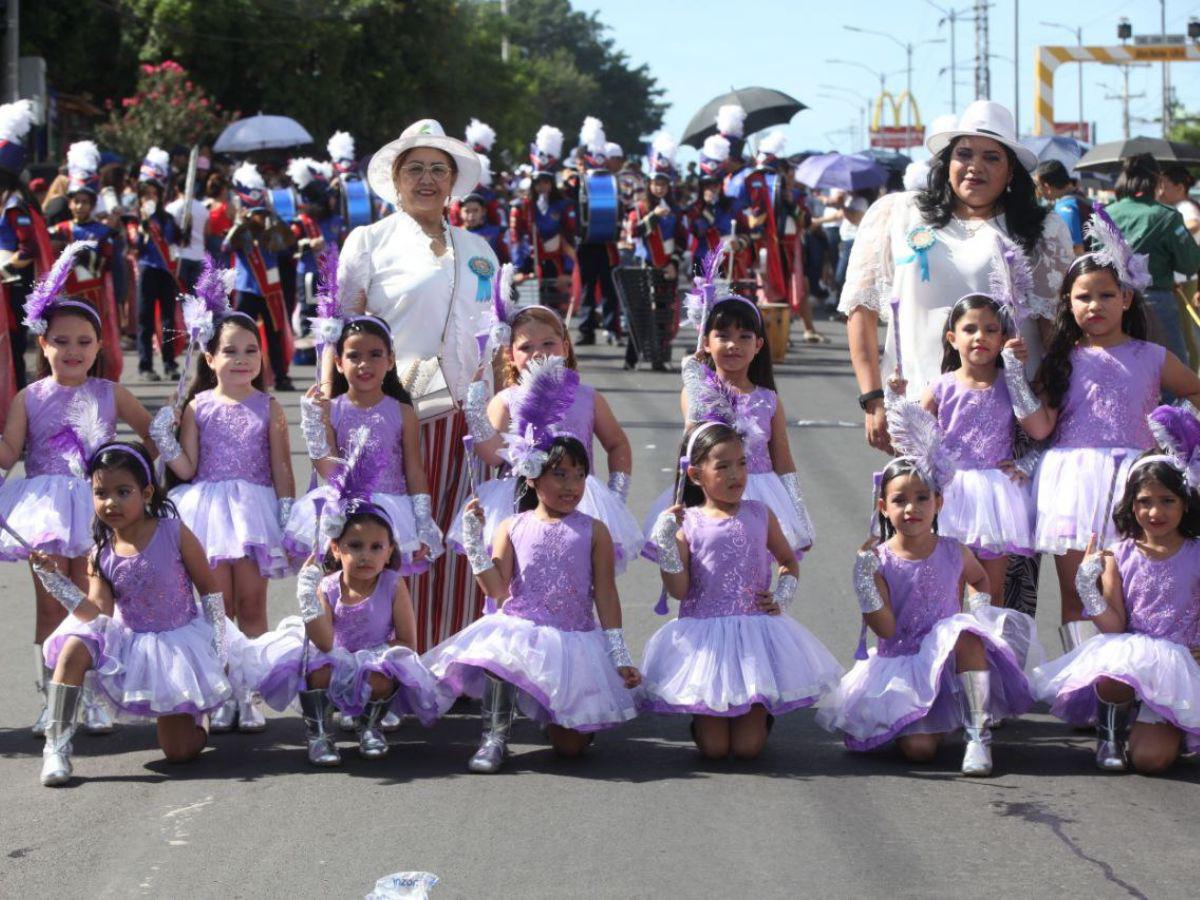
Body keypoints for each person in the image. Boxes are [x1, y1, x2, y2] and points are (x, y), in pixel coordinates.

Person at [425, 361, 641, 773]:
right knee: (499, 651)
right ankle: (494, 735)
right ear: (532, 477)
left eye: (579, 476)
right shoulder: (511, 525)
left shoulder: (595, 531)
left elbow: (607, 596)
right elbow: (497, 590)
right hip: (522, 626)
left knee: (572, 748)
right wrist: (474, 541)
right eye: (559, 475)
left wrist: (618, 654)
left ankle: (552, 712)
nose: (571, 486)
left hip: (572, 637)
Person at [334, 118, 500, 650]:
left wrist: (498, 413)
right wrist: (335, 413)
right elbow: (340, 331)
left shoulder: (479, 249)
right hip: (390, 415)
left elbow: (493, 338)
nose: (426, 180)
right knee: (390, 537)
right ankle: (390, 658)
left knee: (460, 536)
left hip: (467, 416)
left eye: (438, 170)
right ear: (396, 179)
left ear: (453, 181)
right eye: (415, 170)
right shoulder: (369, 241)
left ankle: (453, 656)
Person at [817, 390, 1038, 776]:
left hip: (948, 659)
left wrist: (978, 614)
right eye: (900, 500)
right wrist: (864, 578)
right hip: (903, 664)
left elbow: (981, 579)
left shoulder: (954, 550)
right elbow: (885, 627)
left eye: (922, 498)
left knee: (966, 633)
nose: (912, 509)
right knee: (919, 751)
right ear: (883, 507)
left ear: (938, 503)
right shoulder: (881, 561)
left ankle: (977, 736)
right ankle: (931, 720)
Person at [842, 101, 1075, 447]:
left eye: (991, 157)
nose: (974, 167)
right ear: (947, 161)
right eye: (964, 154)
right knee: (919, 502)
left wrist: (1042, 405)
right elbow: (860, 307)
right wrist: (873, 397)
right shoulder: (896, 213)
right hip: (917, 409)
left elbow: (1054, 331)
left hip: (1004, 419)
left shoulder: (1042, 229)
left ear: (1011, 171)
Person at [0, 250, 154, 735]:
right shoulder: (30, 397)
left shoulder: (111, 393)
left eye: (84, 341)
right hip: (43, 510)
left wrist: (164, 447)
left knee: (95, 601)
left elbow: (153, 438)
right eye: (61, 341)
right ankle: (54, 696)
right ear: (42, 344)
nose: (73, 350)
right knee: (50, 604)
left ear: (99, 345)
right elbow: (9, 452)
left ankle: (91, 691)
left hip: (97, 509)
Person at [1031, 210, 1200, 651]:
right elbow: (1042, 423)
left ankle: (1124, 682)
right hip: (1071, 483)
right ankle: (1084, 686)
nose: (1095, 305)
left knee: (1128, 588)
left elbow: (1195, 391)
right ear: (1068, 302)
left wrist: (1189, 449)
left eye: (1107, 295)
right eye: (1083, 296)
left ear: (1126, 299)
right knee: (1076, 590)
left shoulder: (1153, 355)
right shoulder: (1061, 358)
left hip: (1138, 487)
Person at [32, 442, 232, 785]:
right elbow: (96, 614)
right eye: (101, 493)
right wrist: (54, 580)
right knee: (73, 647)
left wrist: (219, 646)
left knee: (180, 753)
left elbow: (210, 589)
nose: (111, 502)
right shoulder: (100, 554)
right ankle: (57, 747)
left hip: (179, 645)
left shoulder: (174, 532)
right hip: (128, 642)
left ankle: (198, 717)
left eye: (123, 492)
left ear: (147, 492)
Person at [642, 417, 842, 760]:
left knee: (748, 749)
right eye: (723, 466)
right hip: (706, 639)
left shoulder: (760, 513)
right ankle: (703, 719)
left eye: (742, 463)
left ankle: (760, 710)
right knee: (715, 750)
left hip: (754, 634)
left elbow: (788, 561)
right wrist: (666, 544)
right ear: (695, 474)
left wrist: (781, 596)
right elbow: (678, 590)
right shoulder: (687, 522)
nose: (736, 474)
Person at [241, 456, 442, 766]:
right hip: (336, 658)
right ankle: (319, 732)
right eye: (355, 546)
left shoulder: (393, 585)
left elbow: (407, 643)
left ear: (390, 550)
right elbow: (322, 642)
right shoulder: (329, 586)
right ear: (336, 548)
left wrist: (375, 658)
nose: (366, 556)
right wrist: (308, 593)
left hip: (372, 659)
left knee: (384, 673)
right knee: (315, 666)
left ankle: (370, 726)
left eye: (376, 547)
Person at [1033, 406, 1200, 774]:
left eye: (1167, 501)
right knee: (1114, 660)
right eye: (1145, 502)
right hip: (1135, 654)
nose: (1155, 512)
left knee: (1150, 761)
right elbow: (1114, 625)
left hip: (1181, 663)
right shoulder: (1120, 554)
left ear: (1185, 503)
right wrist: (1086, 588)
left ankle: (1165, 721)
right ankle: (1110, 735)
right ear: (1131, 504)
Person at [153, 309, 296, 732]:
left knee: (252, 605)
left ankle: (248, 693)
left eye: (251, 350)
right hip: (208, 514)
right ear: (209, 357)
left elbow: (282, 467)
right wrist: (165, 436)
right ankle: (220, 690)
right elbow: (185, 467)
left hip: (254, 515)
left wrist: (287, 516)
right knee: (218, 608)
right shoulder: (198, 406)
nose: (241, 359)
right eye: (230, 350)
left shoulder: (270, 406)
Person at [450, 289, 641, 571]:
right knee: (519, 577)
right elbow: (491, 455)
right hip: (518, 505)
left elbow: (617, 444)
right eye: (526, 347)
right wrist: (476, 408)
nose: (538, 353)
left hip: (577, 499)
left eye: (548, 344)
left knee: (576, 576)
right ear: (510, 355)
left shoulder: (587, 398)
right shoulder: (506, 401)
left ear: (565, 348)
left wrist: (616, 495)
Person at [641, 261, 815, 560]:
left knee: (751, 566)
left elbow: (783, 460)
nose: (733, 345)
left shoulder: (769, 399)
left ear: (759, 344)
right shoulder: (695, 393)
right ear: (706, 343)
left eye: (745, 336)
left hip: (761, 494)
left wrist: (798, 513)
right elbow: (692, 440)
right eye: (722, 335)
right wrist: (694, 379)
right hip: (709, 492)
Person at [912, 240, 1054, 598]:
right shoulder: (940, 387)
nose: (980, 337)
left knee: (987, 592)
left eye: (991, 330)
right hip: (950, 494)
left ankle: (986, 652)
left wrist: (1027, 463)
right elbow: (913, 442)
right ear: (952, 338)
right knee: (947, 588)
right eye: (970, 329)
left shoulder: (1011, 384)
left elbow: (1039, 433)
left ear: (1004, 338)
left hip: (997, 495)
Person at [287, 315, 440, 575]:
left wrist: (422, 521)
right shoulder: (331, 410)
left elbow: (414, 471)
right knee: (339, 587)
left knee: (386, 592)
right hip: (345, 513)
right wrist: (314, 426)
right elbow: (330, 472)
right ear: (338, 362)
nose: (364, 364)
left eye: (375, 355)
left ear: (390, 360)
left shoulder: (403, 412)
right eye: (354, 356)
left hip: (392, 514)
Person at [1103, 154, 1200, 367]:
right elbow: (1190, 263)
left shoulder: (1105, 213)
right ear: (1156, 181)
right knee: (1172, 376)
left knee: (1121, 370)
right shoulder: (1166, 216)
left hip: (1110, 303)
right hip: (1156, 303)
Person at [50, 140, 123, 380]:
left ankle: (96, 378)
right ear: (69, 203)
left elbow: (109, 264)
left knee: (93, 340)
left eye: (84, 202)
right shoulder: (59, 230)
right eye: (75, 201)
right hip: (67, 295)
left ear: (92, 204)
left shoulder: (104, 232)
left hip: (95, 296)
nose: (79, 206)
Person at [0, 100, 54, 420]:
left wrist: (5, 269)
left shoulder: (15, 205)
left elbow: (27, 250)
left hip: (11, 284)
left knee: (15, 350)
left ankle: (17, 415)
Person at [223, 161, 296, 391]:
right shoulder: (242, 231)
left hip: (270, 289)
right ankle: (242, 375)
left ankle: (281, 376)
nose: (260, 217)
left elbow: (287, 245)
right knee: (242, 334)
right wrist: (240, 223)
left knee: (275, 334)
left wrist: (273, 218)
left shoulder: (273, 229)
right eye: (258, 214)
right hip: (247, 289)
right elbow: (226, 247)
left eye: (262, 213)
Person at [623, 131, 687, 370]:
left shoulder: (676, 211)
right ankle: (631, 358)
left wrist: (674, 262)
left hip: (667, 267)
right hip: (643, 266)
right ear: (649, 184)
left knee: (664, 314)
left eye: (663, 184)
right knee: (638, 313)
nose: (659, 188)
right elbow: (634, 233)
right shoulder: (639, 208)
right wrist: (653, 217)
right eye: (655, 183)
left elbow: (682, 240)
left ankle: (660, 358)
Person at [131, 147, 185, 382]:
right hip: (146, 269)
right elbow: (134, 247)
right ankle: (145, 364)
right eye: (146, 194)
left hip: (165, 271)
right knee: (144, 319)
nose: (150, 198)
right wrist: (142, 226)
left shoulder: (167, 219)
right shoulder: (134, 220)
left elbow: (176, 243)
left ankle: (169, 362)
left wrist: (186, 229)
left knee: (168, 318)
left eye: (154, 194)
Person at [509, 125, 575, 317]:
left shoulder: (563, 205)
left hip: (556, 266)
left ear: (552, 183)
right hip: (529, 263)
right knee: (528, 313)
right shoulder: (521, 206)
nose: (542, 186)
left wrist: (568, 271)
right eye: (538, 182)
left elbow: (569, 238)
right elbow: (516, 239)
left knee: (555, 314)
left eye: (546, 182)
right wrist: (518, 269)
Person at [572, 117, 622, 346]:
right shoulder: (576, 183)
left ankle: (612, 328)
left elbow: (621, 208)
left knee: (610, 287)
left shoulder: (614, 181)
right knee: (587, 289)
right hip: (585, 242)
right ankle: (586, 330)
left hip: (608, 243)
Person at [166, 169, 209, 296]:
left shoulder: (170, 208)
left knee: (180, 296)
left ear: (176, 188)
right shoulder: (203, 208)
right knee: (194, 297)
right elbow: (207, 231)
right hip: (196, 255)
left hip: (181, 255)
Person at [1035, 159, 1089, 255]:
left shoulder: (1065, 208)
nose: (1039, 192)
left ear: (1047, 186)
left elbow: (1076, 250)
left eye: (1038, 186)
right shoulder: (1080, 198)